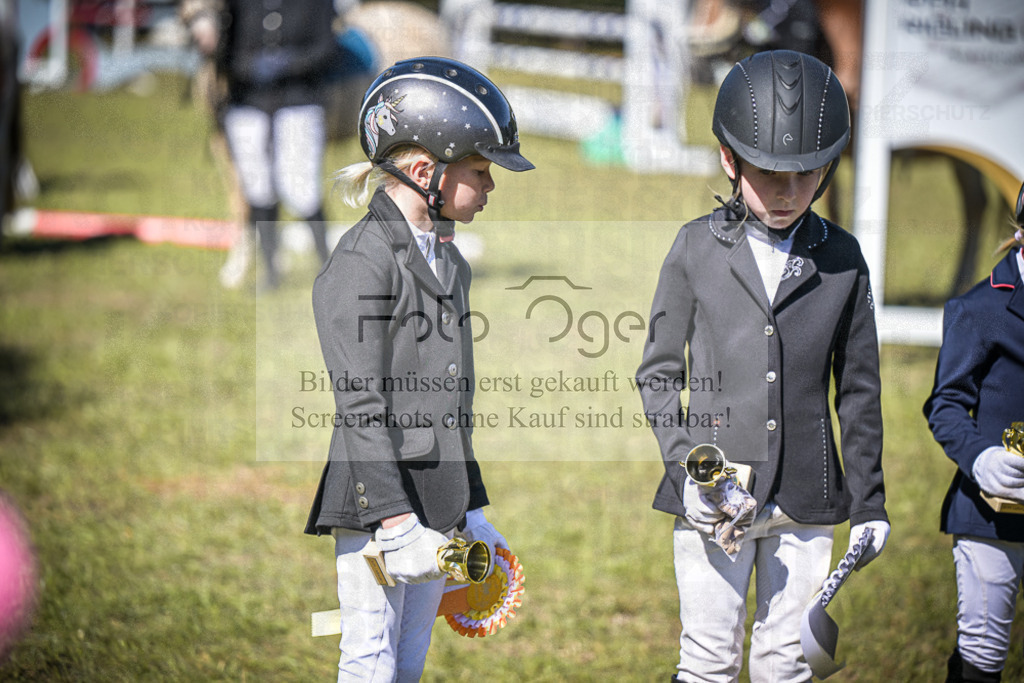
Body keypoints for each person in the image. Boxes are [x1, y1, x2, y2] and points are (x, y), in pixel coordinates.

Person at [635, 49, 889, 682]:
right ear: (729, 159)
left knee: (787, 665)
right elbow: (659, 374)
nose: (786, 191)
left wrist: (871, 501)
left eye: (805, 174)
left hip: (809, 498)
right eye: (768, 172)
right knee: (708, 660)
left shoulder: (845, 259)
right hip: (716, 494)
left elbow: (857, 389)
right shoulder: (694, 246)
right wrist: (688, 469)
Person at [304, 57, 534, 681]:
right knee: (370, 660)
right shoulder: (360, 261)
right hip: (378, 504)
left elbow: (449, 407)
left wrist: (474, 510)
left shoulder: (450, 262)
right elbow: (359, 403)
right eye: (481, 172)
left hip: (438, 499)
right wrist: (395, 522)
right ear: (424, 170)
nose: (490, 187)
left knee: (408, 664)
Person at [923, 182, 1024, 683]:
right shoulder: (979, 309)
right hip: (991, 512)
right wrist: (980, 457)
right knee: (983, 658)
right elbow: (944, 405)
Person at [217, 0, 337, 289]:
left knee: (301, 185)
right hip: (248, 100)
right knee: (258, 187)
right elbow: (225, 51)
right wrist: (246, 67)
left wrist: (290, 64)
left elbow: (327, 49)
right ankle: (271, 272)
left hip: (298, 98)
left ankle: (329, 269)